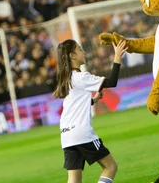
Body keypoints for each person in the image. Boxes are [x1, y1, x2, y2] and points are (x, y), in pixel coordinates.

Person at [54, 38, 128, 183]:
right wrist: (117, 56)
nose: (84, 51)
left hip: (66, 134)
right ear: (72, 56)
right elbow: (112, 81)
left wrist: (94, 100)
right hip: (82, 133)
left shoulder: (67, 79)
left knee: (74, 179)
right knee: (110, 167)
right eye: (80, 49)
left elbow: (74, 104)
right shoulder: (81, 77)